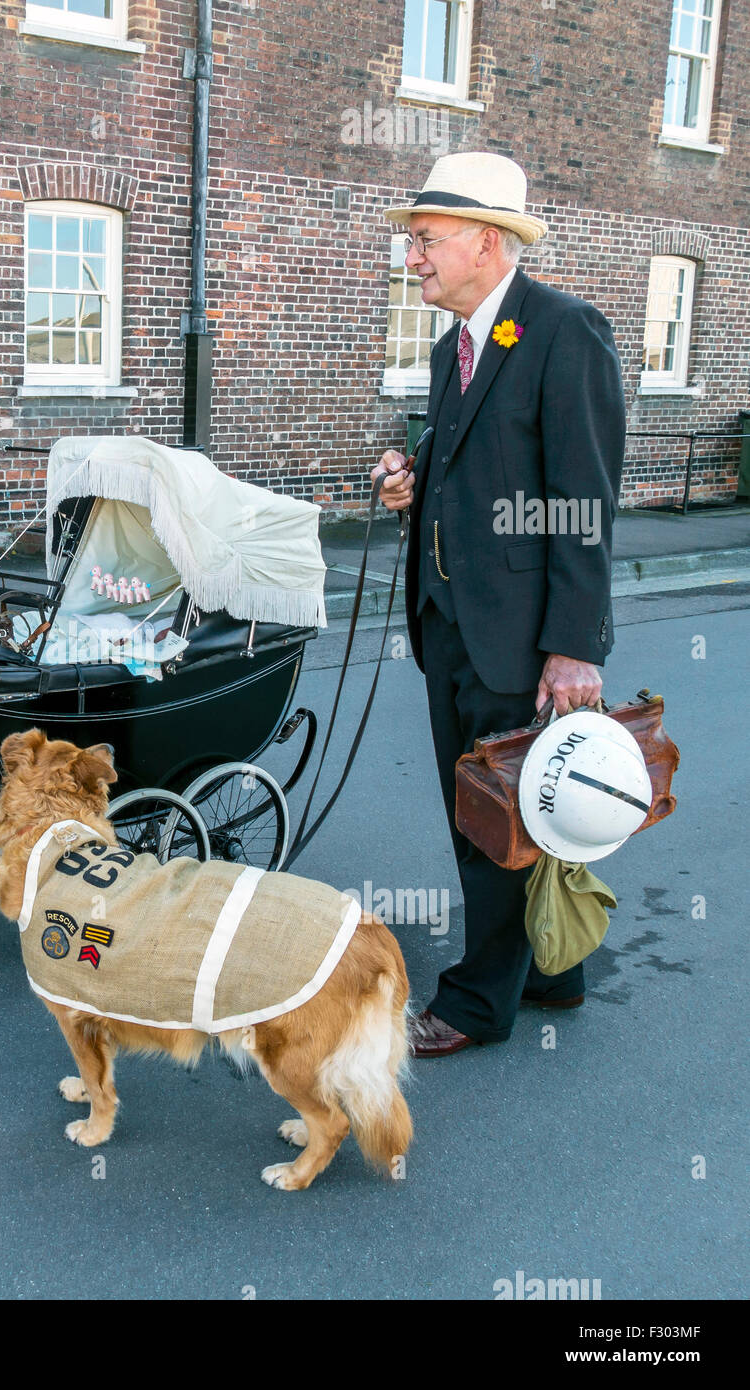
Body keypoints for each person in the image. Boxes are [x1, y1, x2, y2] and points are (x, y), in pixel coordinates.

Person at [372, 153, 625, 1058]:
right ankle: (552, 971)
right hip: (449, 624)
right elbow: (473, 464)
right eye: (412, 242)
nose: (414, 259)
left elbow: (583, 501)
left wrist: (573, 647)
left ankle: (477, 1003)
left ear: (487, 241)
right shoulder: (456, 348)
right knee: (517, 807)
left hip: (520, 638)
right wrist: (412, 479)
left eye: (426, 241)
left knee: (495, 813)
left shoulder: (564, 331)